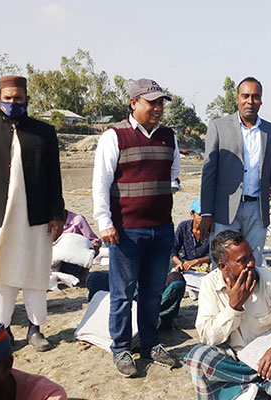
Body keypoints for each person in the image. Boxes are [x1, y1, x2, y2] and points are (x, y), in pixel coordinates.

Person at [0, 75, 65, 352]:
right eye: (8, 98)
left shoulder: (44, 133)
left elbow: (54, 177)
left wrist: (56, 214)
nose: (13, 103)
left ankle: (36, 329)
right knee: (1, 273)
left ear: (27, 99)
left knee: (37, 271)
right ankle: (3, 329)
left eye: (18, 98)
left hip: (37, 216)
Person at [92, 78, 180, 377]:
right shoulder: (114, 136)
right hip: (126, 230)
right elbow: (100, 183)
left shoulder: (169, 136)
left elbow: (174, 171)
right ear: (133, 103)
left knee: (153, 291)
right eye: (151, 102)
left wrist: (165, 189)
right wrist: (104, 222)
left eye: (160, 103)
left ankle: (151, 344)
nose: (157, 108)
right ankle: (120, 349)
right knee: (123, 293)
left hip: (161, 228)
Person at [184, 231, 271, 400]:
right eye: (242, 261)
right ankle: (256, 388)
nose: (251, 263)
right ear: (223, 266)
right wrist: (234, 307)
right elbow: (207, 337)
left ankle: (250, 390)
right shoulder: (210, 284)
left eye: (251, 256)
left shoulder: (269, 279)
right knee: (198, 357)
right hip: (237, 363)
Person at [199, 77, 271, 266]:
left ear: (261, 100)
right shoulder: (218, 127)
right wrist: (206, 212)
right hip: (225, 210)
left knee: (252, 264)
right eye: (245, 96)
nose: (250, 101)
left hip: (257, 210)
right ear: (237, 98)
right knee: (222, 264)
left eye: (255, 97)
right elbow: (209, 173)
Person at [172, 199, 211, 272]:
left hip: (206, 266)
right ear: (192, 214)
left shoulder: (212, 229)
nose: (203, 218)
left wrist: (197, 261)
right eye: (200, 215)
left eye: (205, 215)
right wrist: (180, 263)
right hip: (185, 264)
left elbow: (215, 254)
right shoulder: (183, 227)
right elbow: (173, 250)